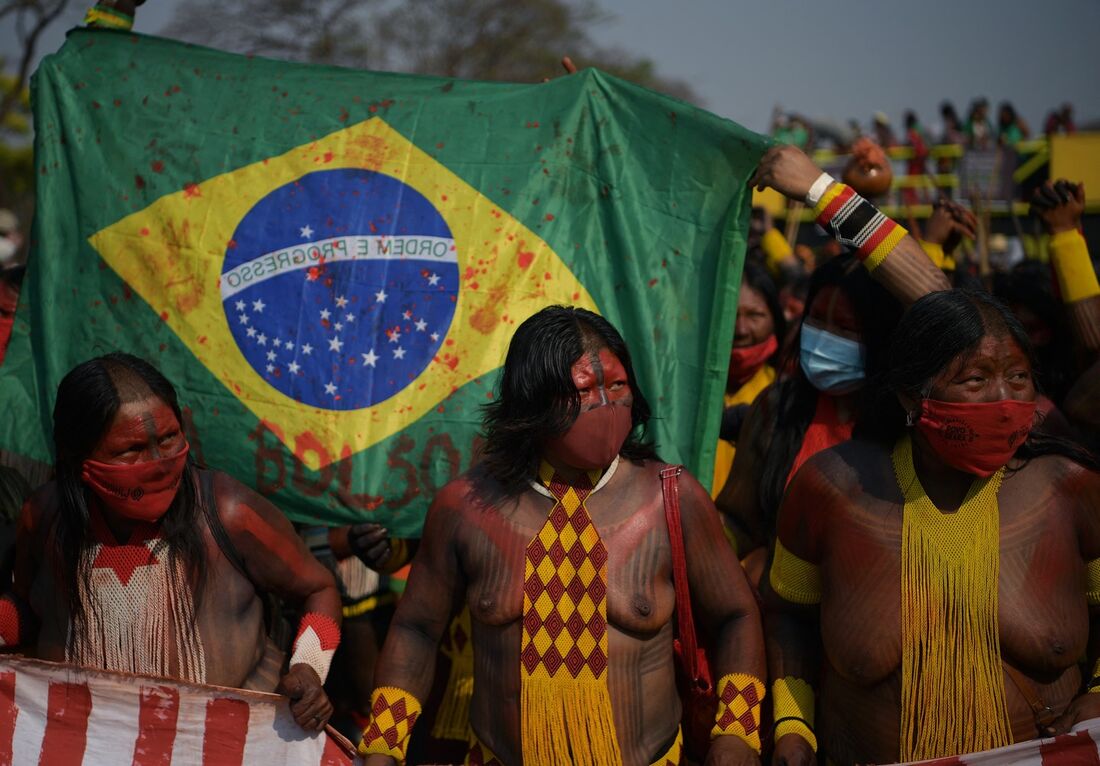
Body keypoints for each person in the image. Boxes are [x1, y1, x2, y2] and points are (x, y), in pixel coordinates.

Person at [358, 306, 766, 766]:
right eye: (584, 391)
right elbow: (416, 629)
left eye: (616, 386)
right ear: (532, 403)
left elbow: (737, 614)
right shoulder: (465, 506)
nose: (606, 406)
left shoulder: (671, 497)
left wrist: (737, 733)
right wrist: (383, 746)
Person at [767, 289, 1100, 765]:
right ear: (911, 394)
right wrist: (792, 726)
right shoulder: (830, 488)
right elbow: (787, 615)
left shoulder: (1071, 489)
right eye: (975, 379)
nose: (1004, 400)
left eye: (1020, 377)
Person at [0, 353, 342, 731]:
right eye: (130, 450)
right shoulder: (45, 518)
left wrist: (309, 666)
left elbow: (319, 588)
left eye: (168, 438)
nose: (159, 461)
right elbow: (31, 607)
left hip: (223, 740)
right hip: (89, 740)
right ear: (76, 456)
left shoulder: (230, 513)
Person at [717, 144, 953, 581]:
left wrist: (821, 191)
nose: (825, 339)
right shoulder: (777, 409)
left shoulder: (916, 422)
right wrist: (699, 553)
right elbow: (739, 520)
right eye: (816, 323)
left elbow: (940, 306)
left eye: (843, 327)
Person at [712, 263, 786, 498]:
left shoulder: (785, 398)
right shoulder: (680, 393)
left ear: (775, 319)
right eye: (729, 316)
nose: (740, 329)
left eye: (755, 315)